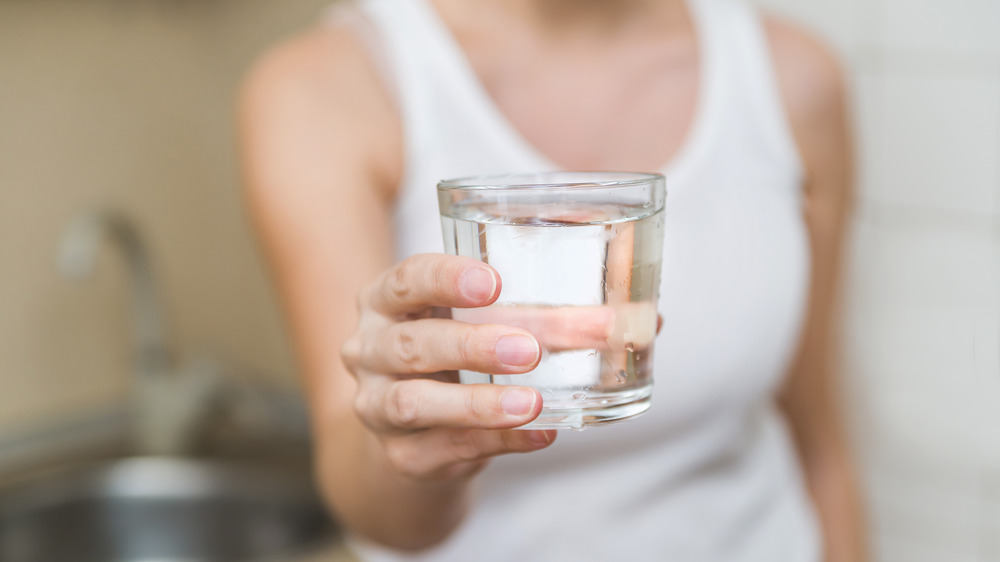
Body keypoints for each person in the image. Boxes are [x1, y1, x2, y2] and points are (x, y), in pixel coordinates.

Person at [239, 0, 866, 559]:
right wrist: (413, 436)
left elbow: (820, 445)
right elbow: (371, 506)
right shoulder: (324, 87)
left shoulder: (791, 79)